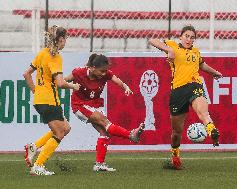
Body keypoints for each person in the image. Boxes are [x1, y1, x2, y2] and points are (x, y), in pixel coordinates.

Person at [149, 25, 222, 170]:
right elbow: (151, 40)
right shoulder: (173, 46)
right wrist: (168, 50)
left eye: (192, 37)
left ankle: (211, 129)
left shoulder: (196, 52)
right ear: (181, 36)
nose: (189, 39)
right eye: (187, 36)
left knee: (203, 113)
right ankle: (175, 157)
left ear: (194, 40)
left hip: (195, 85)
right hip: (178, 91)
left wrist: (215, 73)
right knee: (176, 132)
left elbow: (202, 65)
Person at [64, 53, 145, 172]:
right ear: (92, 68)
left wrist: (126, 87)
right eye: (102, 71)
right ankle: (130, 135)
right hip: (80, 105)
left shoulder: (105, 74)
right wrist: (72, 86)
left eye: (106, 71)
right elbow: (63, 81)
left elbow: (118, 81)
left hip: (94, 104)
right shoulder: (78, 73)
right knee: (105, 122)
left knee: (105, 133)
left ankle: (99, 164)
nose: (104, 73)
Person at [23, 25, 80, 175]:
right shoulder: (55, 57)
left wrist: (36, 91)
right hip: (49, 101)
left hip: (40, 100)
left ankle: (34, 147)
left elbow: (26, 74)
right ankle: (38, 166)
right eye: (65, 39)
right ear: (60, 39)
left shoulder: (42, 53)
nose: (65, 42)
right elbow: (60, 83)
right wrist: (73, 86)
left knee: (65, 128)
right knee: (59, 133)